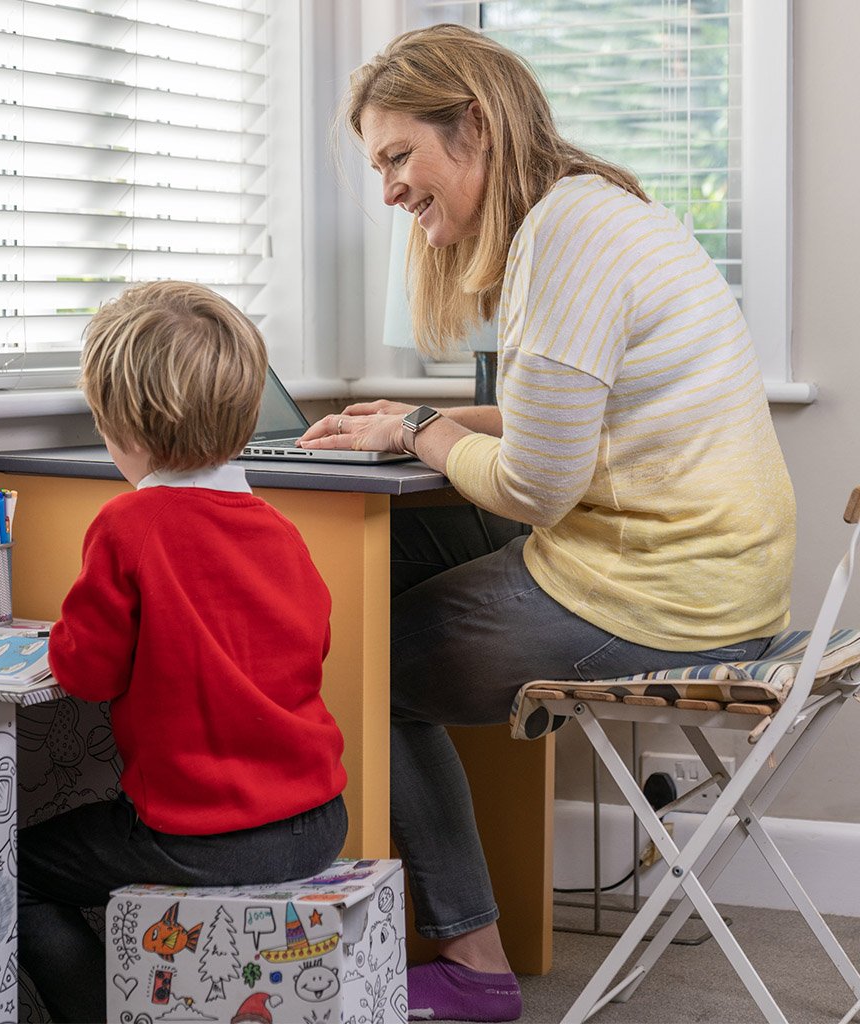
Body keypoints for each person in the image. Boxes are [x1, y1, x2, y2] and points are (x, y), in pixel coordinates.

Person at [298, 23, 795, 1023]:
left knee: (354, 664)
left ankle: (472, 961)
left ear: (471, 127)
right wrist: (409, 426)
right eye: (378, 165)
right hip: (703, 569)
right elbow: (572, 421)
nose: (388, 188)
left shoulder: (565, 241)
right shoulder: (591, 213)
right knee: (366, 562)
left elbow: (532, 486)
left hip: (660, 591)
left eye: (399, 155)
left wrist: (429, 427)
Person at [17, 280, 348, 1023]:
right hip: (320, 819)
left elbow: (86, 672)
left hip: (206, 837)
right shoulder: (278, 528)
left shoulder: (128, 525)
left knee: (13, 873)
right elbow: (310, 643)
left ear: (125, 429)